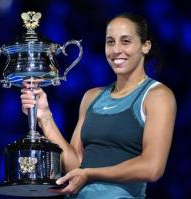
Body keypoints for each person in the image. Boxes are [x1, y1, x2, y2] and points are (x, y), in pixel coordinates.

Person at [20, 13, 176, 199]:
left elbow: (152, 168)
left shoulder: (157, 96)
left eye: (125, 41)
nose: (116, 50)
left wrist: (90, 173)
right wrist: (44, 117)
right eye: (110, 42)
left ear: (145, 46)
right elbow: (76, 164)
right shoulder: (91, 97)